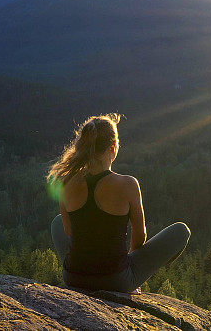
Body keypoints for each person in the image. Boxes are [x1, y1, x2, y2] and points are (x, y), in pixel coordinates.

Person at [48, 113, 190, 293]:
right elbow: (139, 237)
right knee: (181, 231)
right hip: (115, 280)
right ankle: (128, 280)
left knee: (57, 222)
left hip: (73, 277)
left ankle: (82, 271)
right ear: (113, 147)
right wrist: (128, 267)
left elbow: (69, 233)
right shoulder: (128, 184)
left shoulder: (66, 182)